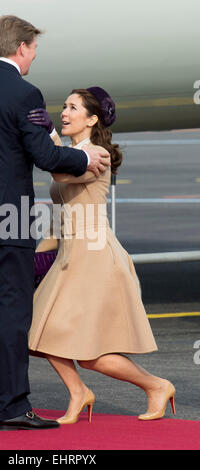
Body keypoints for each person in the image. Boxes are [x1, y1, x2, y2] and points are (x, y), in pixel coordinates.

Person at [0, 15, 110, 430]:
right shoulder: (24, 92)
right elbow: (46, 156)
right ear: (21, 47)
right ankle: (13, 407)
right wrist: (85, 158)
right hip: (8, 220)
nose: (34, 54)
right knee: (12, 316)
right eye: (33, 48)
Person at [28, 87, 176, 423]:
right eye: (63, 106)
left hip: (94, 257)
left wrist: (48, 135)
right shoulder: (74, 151)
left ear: (92, 119)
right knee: (38, 334)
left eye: (73, 108)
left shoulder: (97, 154)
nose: (64, 112)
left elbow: (61, 171)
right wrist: (38, 257)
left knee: (92, 355)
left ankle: (156, 385)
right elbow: (62, 212)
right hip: (71, 254)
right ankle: (80, 392)